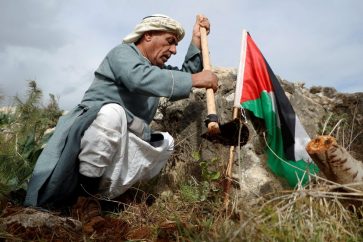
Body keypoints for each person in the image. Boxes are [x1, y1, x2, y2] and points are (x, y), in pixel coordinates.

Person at [24, 14, 218, 209]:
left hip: (125, 136)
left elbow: (183, 76)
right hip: (91, 131)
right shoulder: (123, 53)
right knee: (112, 114)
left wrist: (196, 41)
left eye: (176, 45)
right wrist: (195, 80)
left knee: (165, 143)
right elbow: (139, 78)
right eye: (170, 42)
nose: (174, 50)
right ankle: (82, 198)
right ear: (148, 35)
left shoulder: (155, 69)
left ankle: (103, 197)